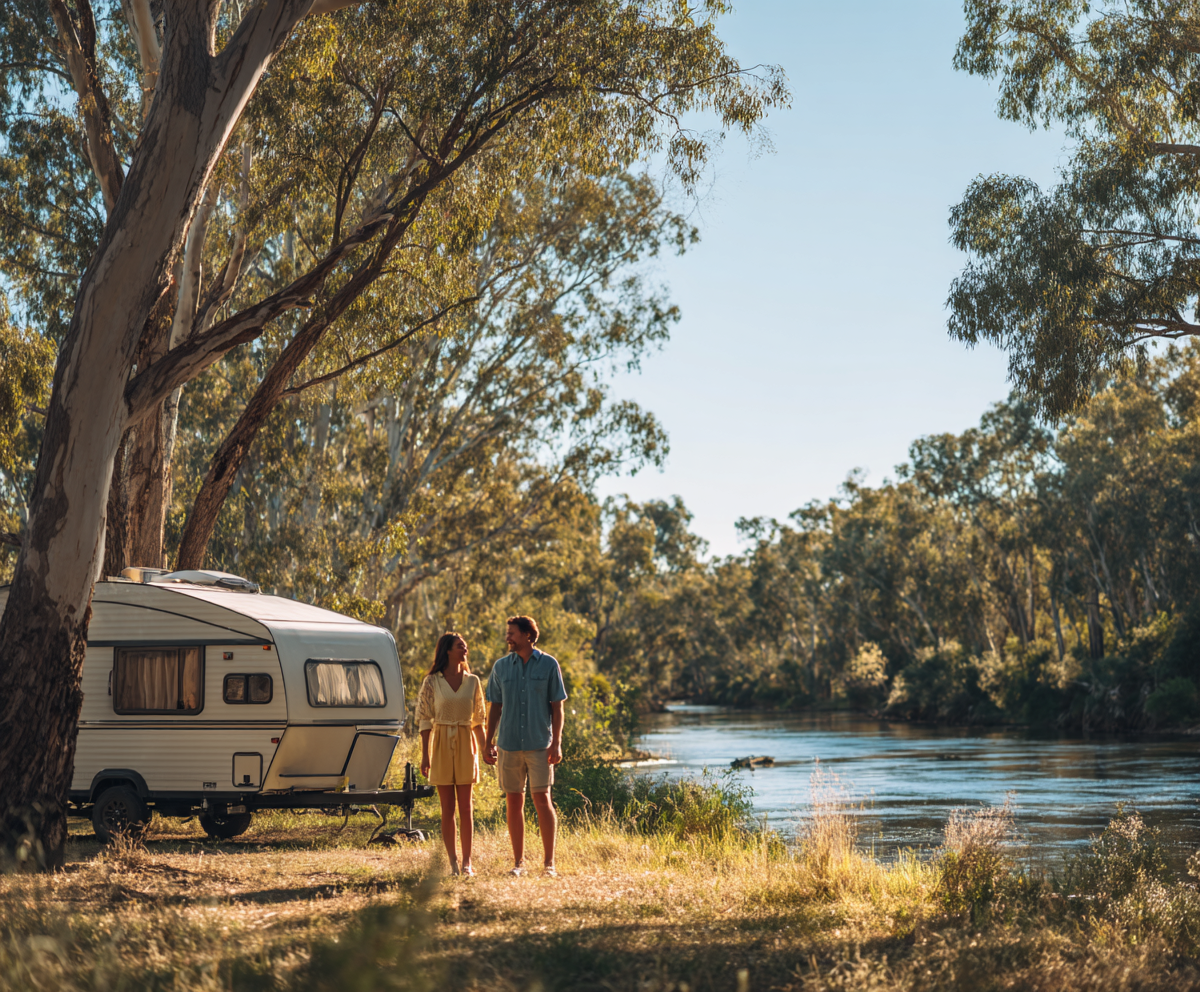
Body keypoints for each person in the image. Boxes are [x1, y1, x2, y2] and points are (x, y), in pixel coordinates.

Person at [484, 615, 567, 877]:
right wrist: (488, 742)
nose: (508, 637)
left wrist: (557, 743)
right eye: (507, 633)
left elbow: (557, 707)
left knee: (542, 799)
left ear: (527, 635)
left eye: (512, 633)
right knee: (513, 801)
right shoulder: (500, 667)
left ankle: (549, 864)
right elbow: (495, 706)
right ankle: (519, 863)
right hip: (508, 744)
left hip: (540, 745)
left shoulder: (549, 665)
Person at [415, 632, 487, 876]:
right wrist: (425, 755)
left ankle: (468, 862)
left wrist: (486, 749)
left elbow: (479, 720)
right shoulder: (432, 682)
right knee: (447, 808)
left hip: (466, 743)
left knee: (466, 807)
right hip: (442, 743)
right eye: (460, 646)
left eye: (465, 645)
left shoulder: (473, 681)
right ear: (447, 650)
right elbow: (425, 720)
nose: (465, 649)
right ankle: (453, 862)